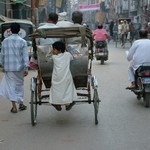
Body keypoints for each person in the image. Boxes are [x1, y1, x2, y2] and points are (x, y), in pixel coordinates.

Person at [0, 23, 29, 113]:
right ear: (19, 30)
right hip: (19, 68)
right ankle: (21, 104)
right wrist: (26, 68)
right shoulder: (23, 41)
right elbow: (25, 56)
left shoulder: (5, 41)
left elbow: (2, 54)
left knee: (11, 86)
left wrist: (1, 64)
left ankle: (14, 107)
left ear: (10, 30)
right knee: (19, 85)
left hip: (9, 67)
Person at [48, 41, 77, 111]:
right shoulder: (67, 55)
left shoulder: (53, 57)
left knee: (56, 90)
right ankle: (69, 102)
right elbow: (74, 57)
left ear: (59, 50)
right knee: (68, 90)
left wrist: (50, 52)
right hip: (66, 77)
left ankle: (56, 103)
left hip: (56, 78)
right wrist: (66, 49)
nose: (53, 51)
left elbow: (47, 56)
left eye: (54, 49)